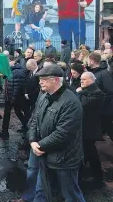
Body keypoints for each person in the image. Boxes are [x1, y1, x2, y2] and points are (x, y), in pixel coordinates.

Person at [29, 64, 86, 202]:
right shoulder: (44, 96)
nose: (40, 82)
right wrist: (32, 140)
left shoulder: (71, 102)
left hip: (64, 159)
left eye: (44, 79)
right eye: (39, 79)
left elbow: (63, 134)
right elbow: (35, 119)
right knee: (41, 190)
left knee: (71, 194)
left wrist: (39, 145)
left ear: (56, 80)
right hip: (44, 153)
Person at [77, 72, 104, 188]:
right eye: (81, 79)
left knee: (89, 153)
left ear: (92, 80)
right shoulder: (87, 91)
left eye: (84, 79)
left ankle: (95, 178)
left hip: (90, 129)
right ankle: (95, 176)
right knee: (89, 153)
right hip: (85, 128)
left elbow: (83, 104)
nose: (81, 81)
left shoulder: (98, 93)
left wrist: (80, 92)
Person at [0, 56, 28, 139]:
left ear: (12, 61)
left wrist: (13, 99)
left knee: (18, 112)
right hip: (8, 96)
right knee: (7, 114)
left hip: (15, 98)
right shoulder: (10, 70)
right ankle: (4, 131)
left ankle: (27, 127)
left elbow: (17, 86)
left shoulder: (18, 72)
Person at [87, 52, 113, 141]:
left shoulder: (104, 73)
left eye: (88, 60)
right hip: (97, 106)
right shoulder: (92, 72)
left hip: (105, 107)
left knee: (107, 125)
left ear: (92, 61)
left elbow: (109, 90)